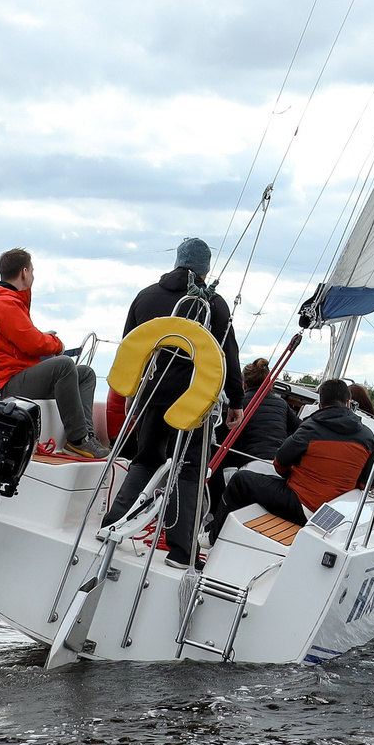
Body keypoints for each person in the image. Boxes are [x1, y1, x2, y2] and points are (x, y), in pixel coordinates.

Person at [107, 236, 245, 556]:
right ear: (205, 270)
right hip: (192, 400)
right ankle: (180, 550)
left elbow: (131, 349)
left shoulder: (144, 298)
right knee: (190, 469)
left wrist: (131, 394)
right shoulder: (214, 303)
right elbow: (228, 355)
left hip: (151, 394)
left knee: (146, 459)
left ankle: (113, 522)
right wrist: (236, 401)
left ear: (177, 262)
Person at [0, 249, 105, 457]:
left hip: (13, 375)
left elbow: (22, 340)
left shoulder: (2, 302)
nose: (33, 275)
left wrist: (42, 339)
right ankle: (77, 440)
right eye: (32, 271)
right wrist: (57, 344)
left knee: (85, 374)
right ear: (24, 272)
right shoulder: (5, 304)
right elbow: (33, 344)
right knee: (64, 365)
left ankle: (85, 436)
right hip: (6, 384)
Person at [222, 377, 374, 529]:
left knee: (240, 480)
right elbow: (367, 485)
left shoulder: (310, 428)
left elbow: (279, 463)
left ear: (320, 405)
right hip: (337, 516)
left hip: (303, 508)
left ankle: (213, 536)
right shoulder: (368, 438)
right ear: (348, 403)